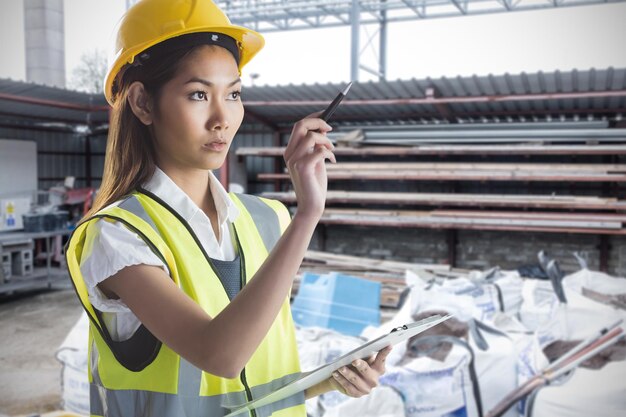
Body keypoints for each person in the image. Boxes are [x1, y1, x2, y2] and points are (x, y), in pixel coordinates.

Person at [65, 0, 391, 416]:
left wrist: (331, 379)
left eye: (234, 93)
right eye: (199, 94)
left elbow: (248, 382)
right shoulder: (120, 235)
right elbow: (219, 354)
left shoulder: (267, 219)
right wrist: (309, 213)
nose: (223, 117)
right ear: (143, 103)